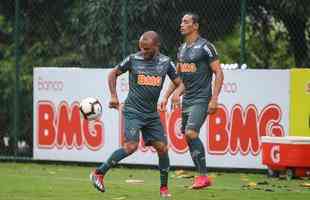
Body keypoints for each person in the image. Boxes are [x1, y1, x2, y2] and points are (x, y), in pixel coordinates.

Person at [90, 31, 182, 198]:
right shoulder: (133, 59)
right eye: (141, 48)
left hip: (151, 114)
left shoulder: (166, 62)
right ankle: (99, 173)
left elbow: (179, 83)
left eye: (147, 49)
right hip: (133, 111)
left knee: (162, 148)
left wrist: (172, 95)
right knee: (131, 146)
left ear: (156, 46)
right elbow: (113, 73)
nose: (143, 52)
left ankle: (164, 189)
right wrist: (113, 96)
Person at [160, 13, 224, 189]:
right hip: (187, 99)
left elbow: (218, 72)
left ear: (195, 26)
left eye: (186, 22)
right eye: (181, 21)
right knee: (188, 136)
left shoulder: (206, 47)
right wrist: (168, 95)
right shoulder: (182, 49)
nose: (182, 24)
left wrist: (214, 98)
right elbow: (180, 78)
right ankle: (202, 175)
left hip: (202, 99)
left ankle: (203, 176)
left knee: (190, 133)